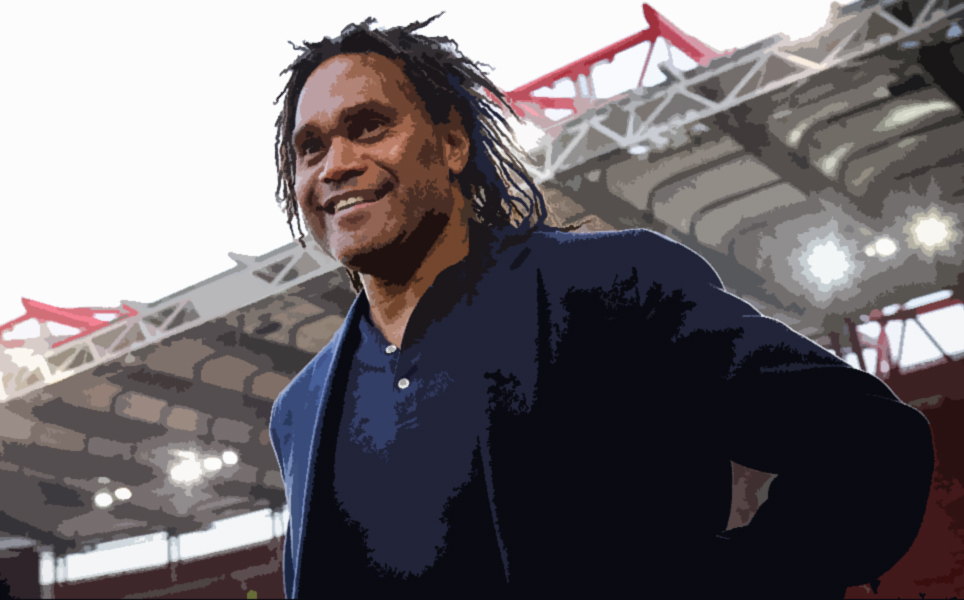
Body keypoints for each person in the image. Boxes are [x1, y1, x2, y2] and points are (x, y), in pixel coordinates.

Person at [268, 14, 934, 598]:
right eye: (310, 148)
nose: (335, 165)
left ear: (452, 144)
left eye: (369, 126)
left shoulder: (611, 289)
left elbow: (868, 442)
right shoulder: (299, 411)